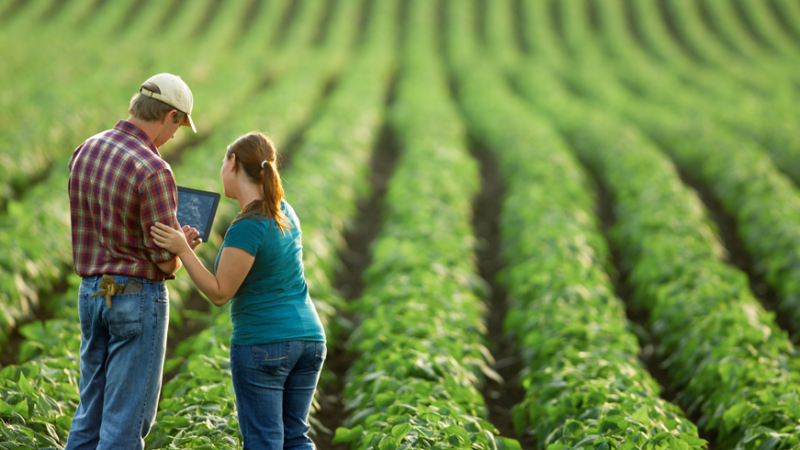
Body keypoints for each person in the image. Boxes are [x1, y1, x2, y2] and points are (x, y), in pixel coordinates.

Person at [149, 132, 327, 449]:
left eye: (222, 162)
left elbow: (219, 293)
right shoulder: (285, 211)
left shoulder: (248, 224)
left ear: (232, 163)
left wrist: (182, 250)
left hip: (265, 343)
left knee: (264, 440)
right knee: (295, 437)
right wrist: (185, 248)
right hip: (310, 339)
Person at [65, 73, 201, 450]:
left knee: (89, 412)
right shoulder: (154, 169)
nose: (175, 136)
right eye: (178, 125)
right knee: (125, 422)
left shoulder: (86, 149)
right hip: (134, 297)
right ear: (169, 116)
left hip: (94, 292)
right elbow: (163, 262)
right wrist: (182, 248)